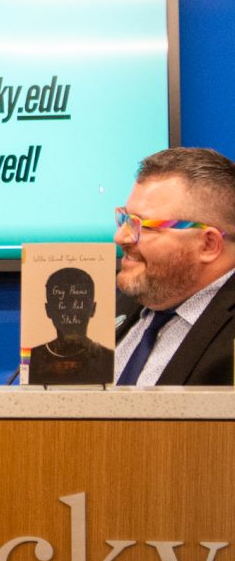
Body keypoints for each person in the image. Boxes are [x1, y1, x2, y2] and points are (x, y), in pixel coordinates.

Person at [113, 147, 235, 386]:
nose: (120, 237)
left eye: (143, 226)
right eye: (125, 219)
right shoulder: (122, 302)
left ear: (208, 245)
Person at [28, 267, 114, 385]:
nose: (71, 311)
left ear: (93, 309)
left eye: (79, 304)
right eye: (62, 304)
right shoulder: (31, 358)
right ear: (48, 310)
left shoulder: (108, 359)